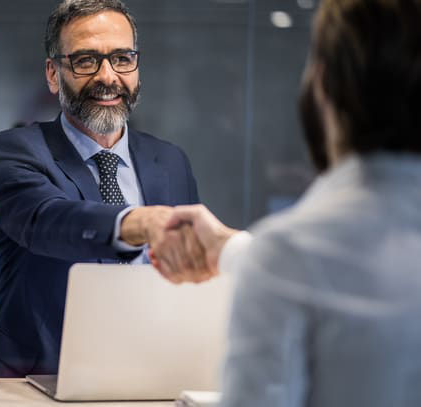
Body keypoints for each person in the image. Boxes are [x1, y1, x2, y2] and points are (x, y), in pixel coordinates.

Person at [151, 0, 421, 405]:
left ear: (322, 86)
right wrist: (229, 248)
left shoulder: (289, 256)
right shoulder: (286, 257)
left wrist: (264, 258)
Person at [0, 0, 200, 377]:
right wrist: (137, 222)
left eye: (122, 59)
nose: (107, 76)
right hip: (32, 382)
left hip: (149, 378)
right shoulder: (15, 150)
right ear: (53, 74)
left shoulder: (171, 161)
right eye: (85, 61)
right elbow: (46, 220)